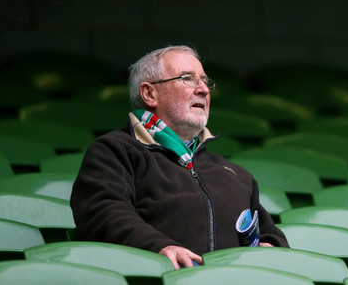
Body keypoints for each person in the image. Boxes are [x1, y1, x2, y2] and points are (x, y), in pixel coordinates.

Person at [70, 45, 289, 269]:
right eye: (188, 79)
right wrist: (158, 247)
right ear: (149, 93)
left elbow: (272, 236)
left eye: (205, 81)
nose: (203, 89)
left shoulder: (236, 174)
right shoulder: (113, 151)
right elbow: (103, 211)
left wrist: (271, 248)